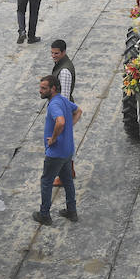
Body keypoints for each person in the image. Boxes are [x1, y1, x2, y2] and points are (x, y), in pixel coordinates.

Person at [33, 75, 82, 226]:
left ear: (53, 88)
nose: (40, 91)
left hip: (56, 153)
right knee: (67, 180)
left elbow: (60, 122)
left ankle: (44, 214)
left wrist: (54, 138)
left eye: (44, 88)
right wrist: (69, 127)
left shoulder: (54, 105)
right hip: (67, 150)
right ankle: (71, 211)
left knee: (46, 182)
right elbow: (79, 111)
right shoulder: (62, 100)